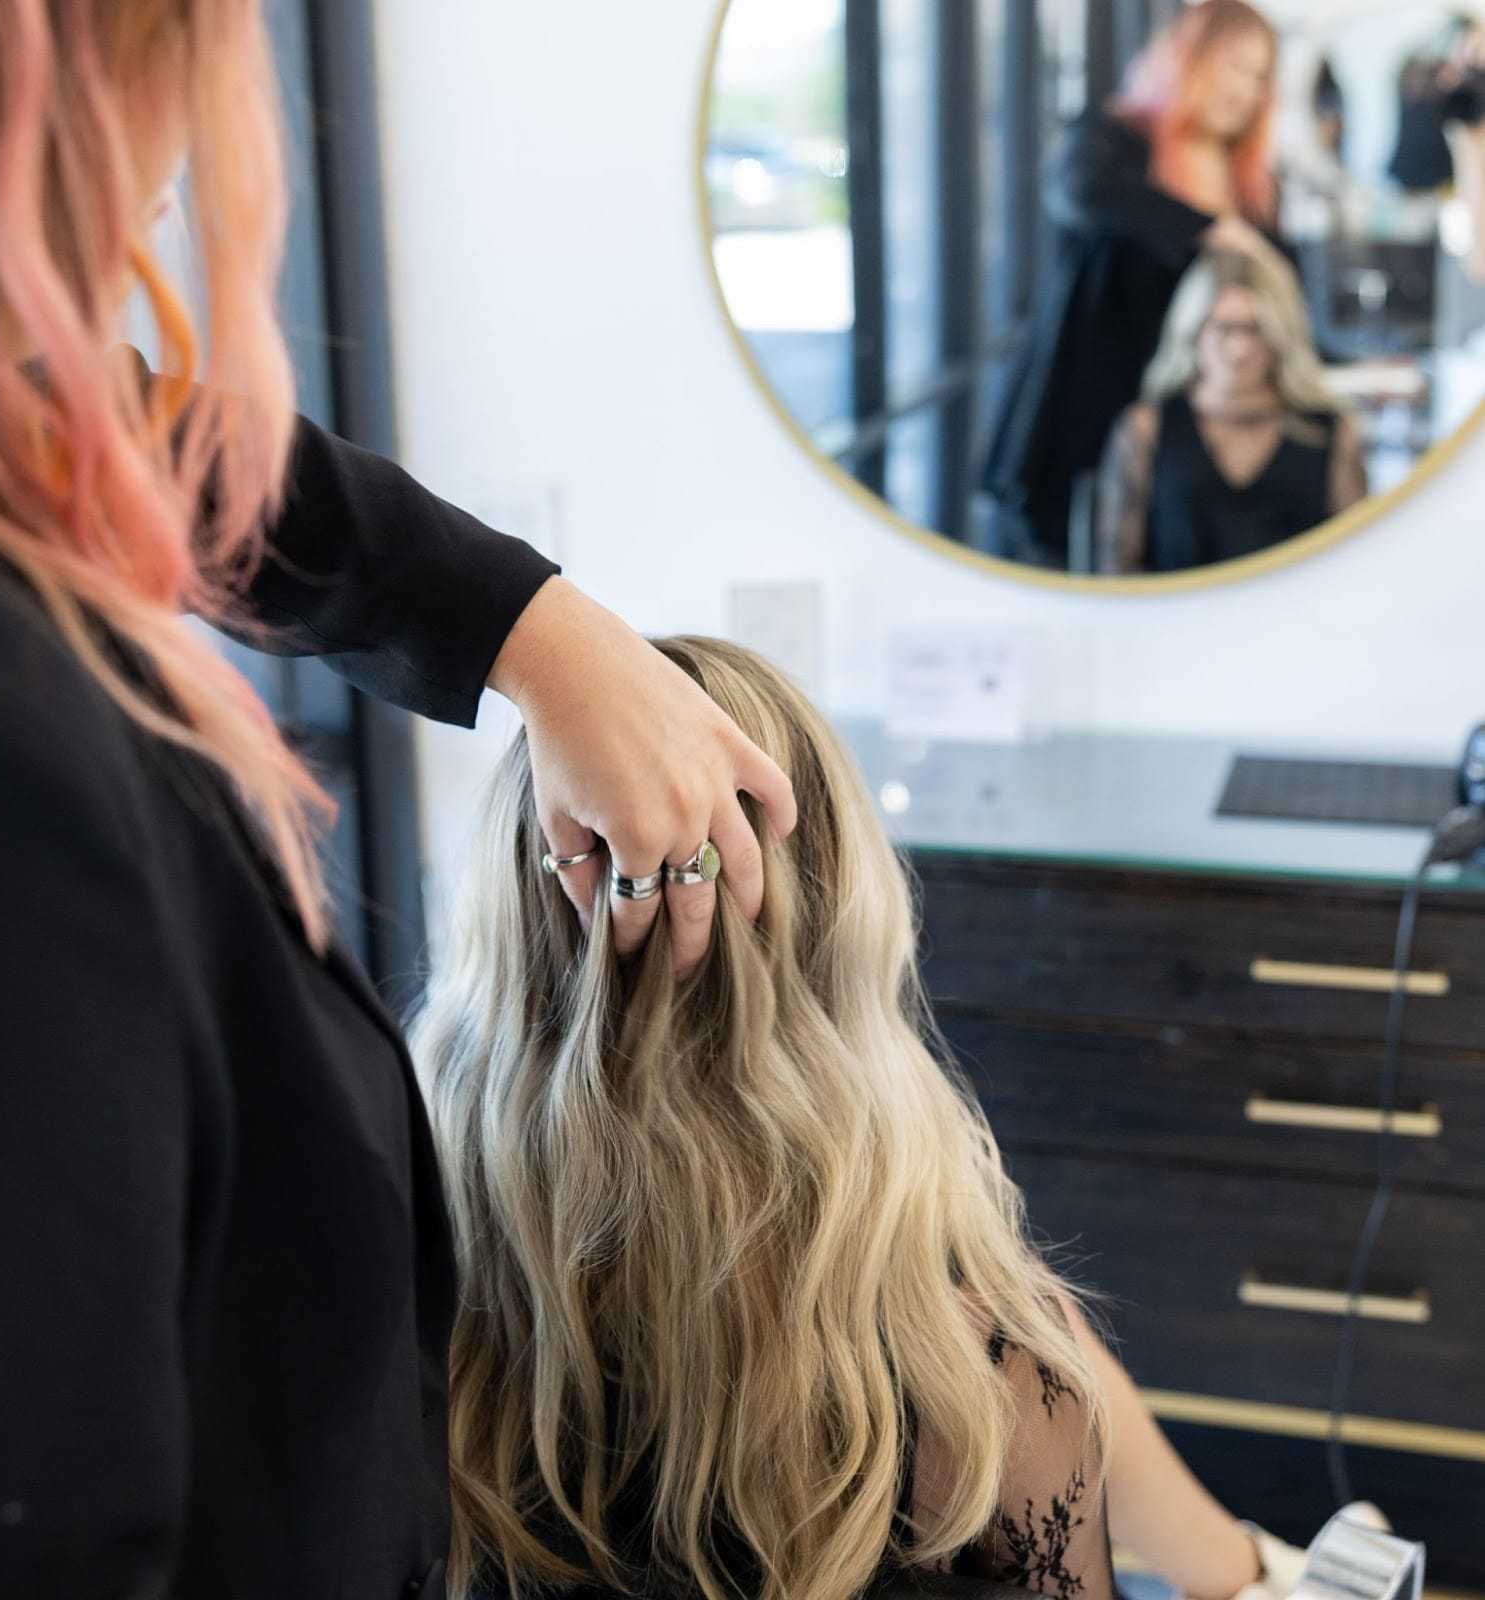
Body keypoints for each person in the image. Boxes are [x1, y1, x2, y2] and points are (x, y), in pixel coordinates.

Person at [0, 4, 794, 1596]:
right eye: (172, 74)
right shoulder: (2, 769)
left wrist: (532, 631)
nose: (178, 182)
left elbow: (106, 421)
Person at [412, 635, 1333, 1600]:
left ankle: (1251, 1577)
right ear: (837, 903)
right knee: (1010, 1333)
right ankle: (1257, 1581)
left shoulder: (392, 1253)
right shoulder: (981, 1376)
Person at [979, 0, 1282, 568]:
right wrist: (1208, 228)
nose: (1247, 88)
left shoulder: (1251, 184)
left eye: (1260, 75)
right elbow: (1079, 192)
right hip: (1086, 410)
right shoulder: (1116, 140)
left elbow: (1271, 304)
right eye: (1236, 66)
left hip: (1185, 439)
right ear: (1193, 57)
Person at [1095, 249, 1368, 574]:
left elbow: (1356, 565)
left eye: (1255, 329)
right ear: (1193, 331)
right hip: (1177, 621)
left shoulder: (1330, 432)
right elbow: (1117, 572)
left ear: (1281, 335)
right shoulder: (1146, 430)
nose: (1239, 349)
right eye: (1223, 328)